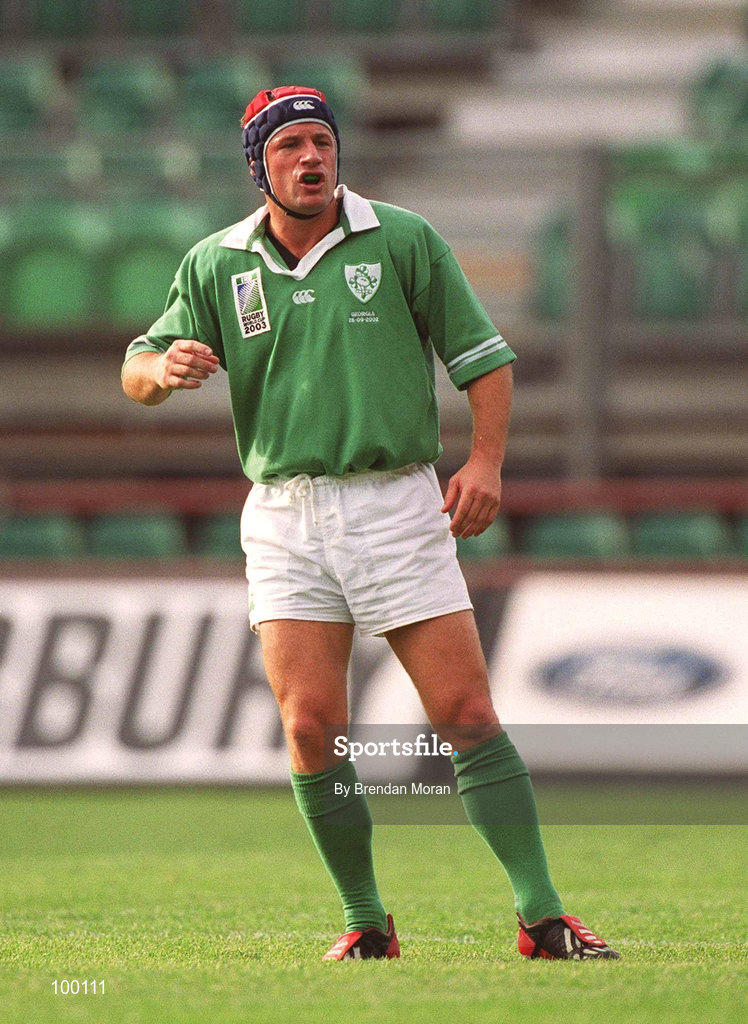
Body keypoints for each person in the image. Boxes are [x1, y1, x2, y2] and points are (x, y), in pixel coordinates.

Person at [121, 86, 619, 962]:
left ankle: (543, 917)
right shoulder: (216, 264)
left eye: (321, 142)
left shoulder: (403, 238)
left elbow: (485, 360)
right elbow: (134, 372)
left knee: (465, 711)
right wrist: (166, 366)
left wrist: (486, 462)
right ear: (257, 165)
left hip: (395, 501)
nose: (310, 159)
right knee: (310, 726)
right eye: (288, 149)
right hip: (282, 514)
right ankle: (367, 923)